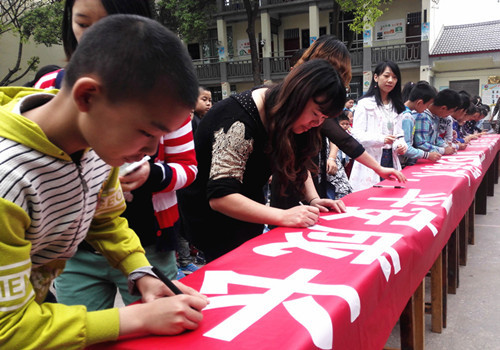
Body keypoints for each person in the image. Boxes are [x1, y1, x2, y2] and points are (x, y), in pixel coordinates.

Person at [0, 15, 209, 348]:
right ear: (87, 97)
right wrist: (138, 318)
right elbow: (8, 329)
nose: (151, 151)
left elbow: (105, 218)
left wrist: (140, 271)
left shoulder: (97, 146)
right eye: (146, 132)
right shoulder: (9, 181)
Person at [177, 59, 347, 262]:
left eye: (323, 119)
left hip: (248, 208)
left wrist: (313, 199)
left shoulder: (287, 114)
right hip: (213, 221)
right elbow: (221, 197)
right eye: (315, 115)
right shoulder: (238, 120)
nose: (316, 123)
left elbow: (296, 161)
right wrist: (283, 216)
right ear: (297, 97)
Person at [34, 0, 154, 90]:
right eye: (83, 24)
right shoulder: (49, 87)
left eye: (111, 26)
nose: (94, 37)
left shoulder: (164, 95)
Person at [350, 60, 408, 192]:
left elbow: (399, 134)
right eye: (386, 76)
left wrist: (400, 145)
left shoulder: (396, 106)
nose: (390, 80)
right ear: (376, 77)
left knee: (391, 195)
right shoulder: (364, 104)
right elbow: (357, 136)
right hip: (369, 159)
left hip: (390, 158)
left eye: (394, 77)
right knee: (370, 196)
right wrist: (381, 139)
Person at [400, 81, 440, 167]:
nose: (427, 109)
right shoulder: (407, 117)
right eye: (427, 105)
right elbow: (406, 148)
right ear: (419, 103)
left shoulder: (404, 112)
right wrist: (427, 155)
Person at [414, 89, 461, 155]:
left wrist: (446, 146)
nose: (449, 115)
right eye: (450, 112)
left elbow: (435, 138)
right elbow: (421, 144)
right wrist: (443, 150)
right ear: (443, 108)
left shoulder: (435, 117)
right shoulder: (422, 116)